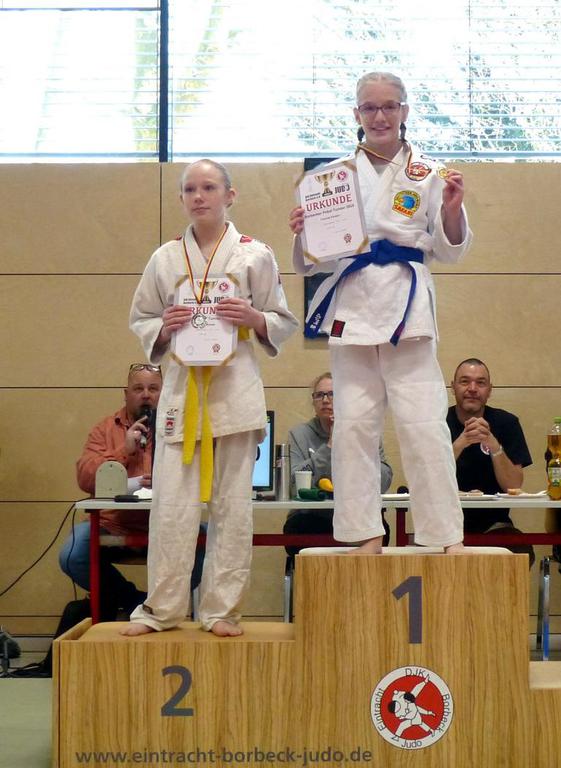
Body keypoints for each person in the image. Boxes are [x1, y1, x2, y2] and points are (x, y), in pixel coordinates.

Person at [290, 71, 473, 554]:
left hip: (407, 308)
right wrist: (304, 232)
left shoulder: (429, 174)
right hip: (353, 306)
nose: (380, 116)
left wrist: (452, 210)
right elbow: (314, 260)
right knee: (353, 427)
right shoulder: (331, 178)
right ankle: (364, 531)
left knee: (425, 425)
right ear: (356, 114)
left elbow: (450, 250)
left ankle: (442, 533)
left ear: (405, 111)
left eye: (389, 106)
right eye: (369, 107)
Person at [122, 159, 298, 638]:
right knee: (171, 509)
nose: (198, 196)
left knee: (232, 508)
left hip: (235, 392)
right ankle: (161, 610)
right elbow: (141, 317)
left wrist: (254, 318)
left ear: (229, 195)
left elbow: (282, 319)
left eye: (209, 187)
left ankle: (221, 611)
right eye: (189, 189)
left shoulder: (254, 254)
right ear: (181, 198)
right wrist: (163, 327)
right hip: (182, 396)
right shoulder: (165, 258)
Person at [59, 363, 207, 619]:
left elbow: (204, 473)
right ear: (126, 394)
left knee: (210, 540)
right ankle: (134, 600)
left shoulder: (183, 427)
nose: (146, 395)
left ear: (165, 393)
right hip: (114, 525)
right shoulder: (105, 429)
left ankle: (166, 606)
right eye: (138, 389)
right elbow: (85, 478)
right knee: (72, 553)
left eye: (153, 389)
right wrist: (124, 451)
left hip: (170, 524)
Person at [283, 371, 393, 555]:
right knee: (299, 529)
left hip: (357, 515)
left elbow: (385, 480)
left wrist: (354, 445)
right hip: (310, 516)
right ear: (313, 402)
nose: (325, 400)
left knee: (379, 531)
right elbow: (293, 483)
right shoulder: (299, 434)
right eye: (320, 395)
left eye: (332, 394)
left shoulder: (365, 431)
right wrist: (330, 447)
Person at [448, 358, 535, 565]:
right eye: (465, 381)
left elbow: (514, 485)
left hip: (495, 525)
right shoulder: (437, 422)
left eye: (480, 383)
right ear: (453, 387)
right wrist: (460, 443)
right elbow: (427, 481)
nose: (472, 389)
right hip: (444, 524)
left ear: (489, 390)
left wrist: (494, 445)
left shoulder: (507, 423)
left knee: (519, 552)